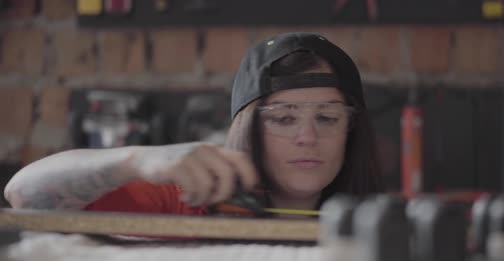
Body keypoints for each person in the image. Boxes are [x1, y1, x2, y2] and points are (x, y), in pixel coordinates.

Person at [4, 32, 382, 216]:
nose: (307, 137)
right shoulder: (187, 202)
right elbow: (23, 195)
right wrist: (136, 161)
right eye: (284, 118)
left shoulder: (385, 220)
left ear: (351, 131)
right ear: (247, 129)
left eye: (328, 117)